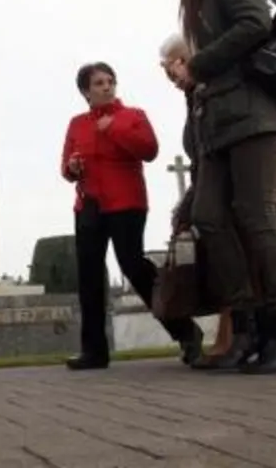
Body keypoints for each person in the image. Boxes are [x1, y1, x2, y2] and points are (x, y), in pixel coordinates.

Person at [160, 0, 276, 374]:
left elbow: (254, 23)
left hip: (254, 116)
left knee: (256, 213)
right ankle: (244, 323)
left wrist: (199, 65)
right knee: (208, 216)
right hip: (220, 123)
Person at [159, 35, 276, 358]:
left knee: (258, 243)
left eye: (174, 69)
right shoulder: (198, 94)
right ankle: (262, 329)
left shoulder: (219, 85)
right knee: (248, 248)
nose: (174, 79)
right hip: (226, 182)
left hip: (258, 175)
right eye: (168, 74)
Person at [60, 62, 204, 370]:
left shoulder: (132, 116)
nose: (107, 87)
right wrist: (71, 168)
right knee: (89, 276)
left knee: (133, 265)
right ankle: (94, 351)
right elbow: (65, 167)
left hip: (126, 203)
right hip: (89, 205)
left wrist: (112, 127)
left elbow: (148, 149)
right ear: (86, 91)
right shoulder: (76, 124)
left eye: (110, 81)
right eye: (98, 83)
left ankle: (185, 330)